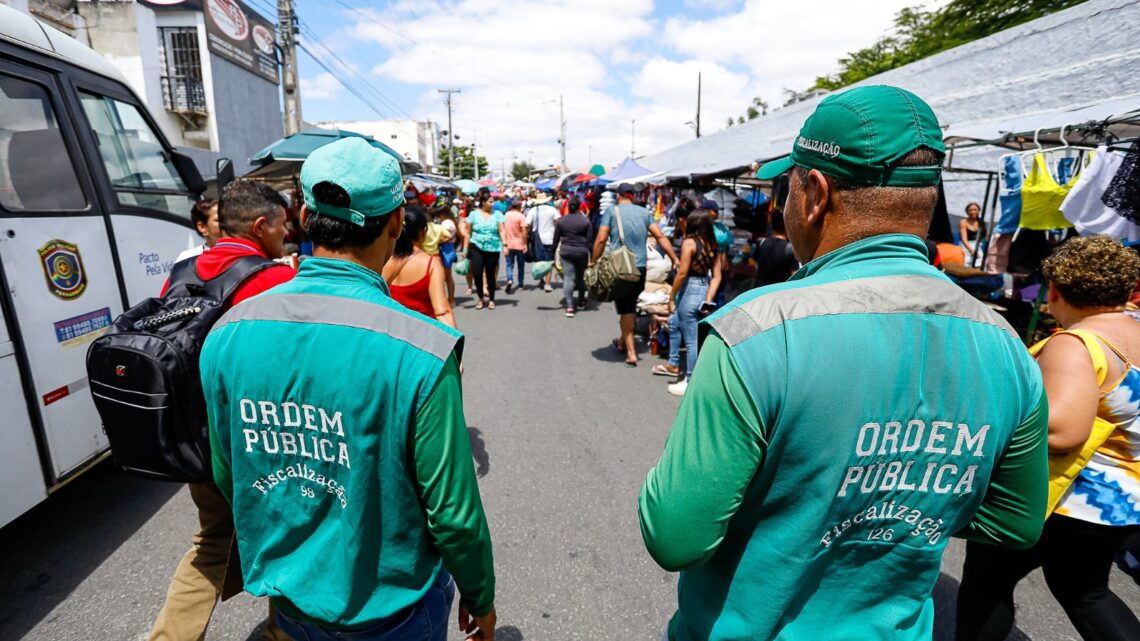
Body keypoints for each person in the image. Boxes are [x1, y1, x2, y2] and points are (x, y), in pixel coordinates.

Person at [638, 86, 1048, 641]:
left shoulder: (755, 332)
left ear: (815, 194)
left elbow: (675, 535)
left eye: (787, 187)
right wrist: (904, 497)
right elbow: (1013, 522)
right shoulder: (1006, 347)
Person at [201, 137, 497, 641]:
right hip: (393, 610)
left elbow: (231, 473)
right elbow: (453, 513)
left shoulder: (228, 332)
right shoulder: (423, 348)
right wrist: (480, 594)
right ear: (398, 222)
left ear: (303, 217)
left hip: (291, 601)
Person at [956, 236, 1140, 641]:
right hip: (1116, 501)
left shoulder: (1077, 344)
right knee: (1085, 591)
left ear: (1054, 290)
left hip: (1059, 497)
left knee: (987, 586)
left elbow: (1060, 431)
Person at [150, 180, 295, 641]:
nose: (285, 236)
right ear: (259, 225)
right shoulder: (274, 280)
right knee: (289, 538)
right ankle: (282, 632)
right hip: (256, 442)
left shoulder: (182, 271)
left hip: (193, 436)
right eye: (281, 227)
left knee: (213, 542)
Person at [592, 188, 679, 367]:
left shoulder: (611, 212)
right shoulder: (644, 212)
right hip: (640, 268)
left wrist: (593, 261)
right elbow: (660, 235)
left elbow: (601, 239)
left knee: (626, 310)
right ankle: (623, 341)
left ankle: (631, 353)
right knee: (629, 305)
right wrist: (674, 257)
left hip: (621, 267)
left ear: (618, 196)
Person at [651, 210, 722, 396]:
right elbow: (717, 276)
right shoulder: (713, 246)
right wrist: (708, 297)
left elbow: (682, 273)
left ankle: (691, 380)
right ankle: (673, 363)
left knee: (691, 339)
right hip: (702, 289)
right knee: (675, 323)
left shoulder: (689, 243)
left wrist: (671, 296)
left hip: (689, 289)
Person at [384, 206, 457, 329]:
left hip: (392, 333)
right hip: (424, 336)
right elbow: (442, 311)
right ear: (423, 232)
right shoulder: (430, 264)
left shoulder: (385, 261)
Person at [551, 198, 594, 317]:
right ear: (580, 207)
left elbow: (555, 240)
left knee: (568, 277)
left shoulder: (561, 221)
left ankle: (569, 306)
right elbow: (590, 242)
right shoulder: (585, 221)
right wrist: (594, 258)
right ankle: (581, 300)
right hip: (582, 252)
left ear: (568, 207)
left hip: (566, 251)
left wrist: (551, 255)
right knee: (581, 277)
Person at [464, 197, 507, 310]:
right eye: (490, 202)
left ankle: (491, 299)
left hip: (493, 248)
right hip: (476, 247)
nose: (493, 204)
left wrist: (505, 245)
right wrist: (464, 248)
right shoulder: (473, 214)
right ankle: (481, 298)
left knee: (490, 275)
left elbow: (502, 230)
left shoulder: (497, 214)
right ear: (483, 202)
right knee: (477, 273)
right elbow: (468, 232)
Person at [753, 208, 799, 286]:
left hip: (759, 291)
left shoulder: (761, 243)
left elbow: (755, 265)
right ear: (787, 226)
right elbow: (794, 278)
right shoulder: (790, 249)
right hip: (778, 294)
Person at [526, 193, 560, 292]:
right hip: (550, 238)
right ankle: (548, 284)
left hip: (537, 240)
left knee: (539, 260)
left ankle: (541, 280)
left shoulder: (533, 210)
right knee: (549, 261)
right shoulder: (552, 209)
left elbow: (526, 224)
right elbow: (559, 221)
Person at [176, 198, 222, 263]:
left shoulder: (240, 253)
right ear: (202, 227)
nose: (228, 222)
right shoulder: (187, 260)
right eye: (219, 220)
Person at [502, 202, 528, 293]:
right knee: (521, 265)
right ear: (519, 207)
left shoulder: (506, 215)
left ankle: (509, 279)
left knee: (509, 264)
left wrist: (504, 243)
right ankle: (520, 284)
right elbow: (524, 231)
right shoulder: (521, 216)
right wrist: (525, 244)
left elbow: (503, 230)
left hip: (509, 244)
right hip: (519, 244)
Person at [959, 202, 986, 267]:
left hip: (977, 246)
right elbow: (963, 239)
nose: (973, 212)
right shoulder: (963, 222)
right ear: (967, 212)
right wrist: (971, 250)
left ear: (978, 211)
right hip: (966, 246)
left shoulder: (980, 222)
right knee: (966, 263)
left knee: (980, 263)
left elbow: (984, 235)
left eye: (975, 210)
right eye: (970, 210)